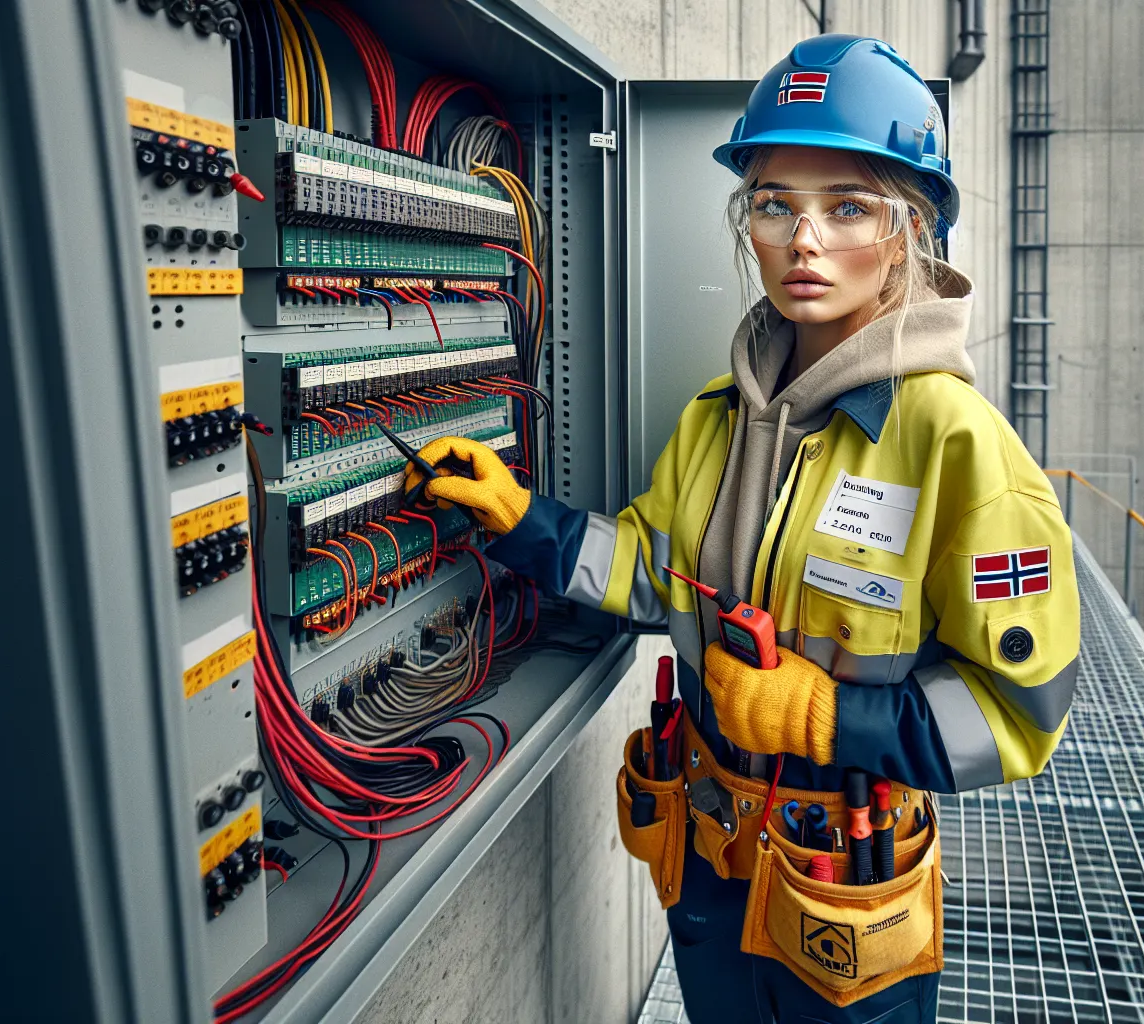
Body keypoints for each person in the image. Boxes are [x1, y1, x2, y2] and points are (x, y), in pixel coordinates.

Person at [406, 34, 1080, 1024]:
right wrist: (520, 518)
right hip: (711, 866)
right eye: (774, 204)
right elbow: (650, 574)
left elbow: (1023, 715)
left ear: (908, 231)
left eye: (846, 206)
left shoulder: (954, 443)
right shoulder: (717, 418)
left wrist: (827, 719)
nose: (804, 240)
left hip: (845, 889)